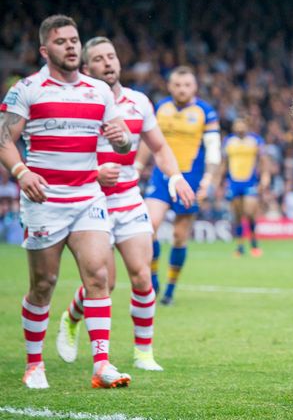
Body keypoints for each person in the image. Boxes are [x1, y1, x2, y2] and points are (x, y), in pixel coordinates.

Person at [0, 15, 133, 389]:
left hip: (88, 196)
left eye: (75, 40)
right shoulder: (28, 89)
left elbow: (121, 143)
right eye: (62, 42)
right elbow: (4, 139)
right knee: (45, 284)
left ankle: (102, 363)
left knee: (99, 276)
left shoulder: (99, 91)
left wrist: (122, 139)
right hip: (44, 199)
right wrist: (22, 173)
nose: (72, 46)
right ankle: (33, 364)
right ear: (45, 50)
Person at [54, 37, 196, 371]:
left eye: (112, 56)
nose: (108, 63)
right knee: (105, 282)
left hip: (130, 199)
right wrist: (93, 172)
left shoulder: (138, 102)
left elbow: (159, 148)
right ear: (87, 68)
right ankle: (71, 318)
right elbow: (62, 156)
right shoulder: (77, 105)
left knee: (142, 276)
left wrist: (175, 177)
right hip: (92, 200)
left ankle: (143, 353)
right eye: (100, 59)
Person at [142, 66, 221, 305]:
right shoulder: (161, 108)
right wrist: (137, 165)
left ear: (194, 87)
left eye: (187, 85)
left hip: (191, 179)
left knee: (179, 236)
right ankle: (153, 282)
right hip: (162, 176)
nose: (182, 89)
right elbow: (149, 141)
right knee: (149, 225)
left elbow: (214, 151)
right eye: (177, 85)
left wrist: (208, 180)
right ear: (170, 86)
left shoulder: (205, 112)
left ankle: (169, 291)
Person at [217, 117, 270, 257]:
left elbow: (263, 161)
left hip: (250, 182)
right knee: (237, 215)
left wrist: (265, 178)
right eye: (236, 124)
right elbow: (224, 163)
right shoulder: (228, 141)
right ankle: (240, 246)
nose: (239, 127)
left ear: (247, 126)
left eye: (241, 124)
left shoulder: (256, 140)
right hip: (233, 182)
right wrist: (218, 181)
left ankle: (253, 242)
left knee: (249, 212)